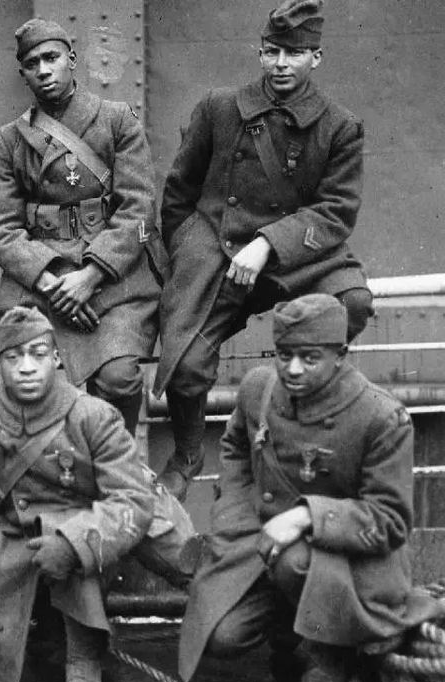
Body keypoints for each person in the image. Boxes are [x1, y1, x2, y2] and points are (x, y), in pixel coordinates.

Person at [154, 0, 373, 500]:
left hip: (297, 254)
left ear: (316, 57)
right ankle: (187, 453)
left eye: (294, 53)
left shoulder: (339, 126)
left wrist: (267, 244)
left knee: (352, 304)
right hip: (218, 247)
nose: (281, 64)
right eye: (272, 52)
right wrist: (188, 253)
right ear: (259, 54)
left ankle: (296, 413)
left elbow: (336, 211)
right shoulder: (219, 107)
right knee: (186, 364)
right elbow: (179, 191)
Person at [178, 294, 441, 682]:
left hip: (350, 560)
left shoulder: (381, 417)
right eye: (285, 355)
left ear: (340, 355)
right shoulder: (259, 389)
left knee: (294, 560)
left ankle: (330, 652)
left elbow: (389, 521)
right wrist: (233, 513)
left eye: (310, 358)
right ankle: (293, 632)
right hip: (263, 541)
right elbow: (235, 446)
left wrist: (306, 517)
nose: (293, 369)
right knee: (222, 636)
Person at [0, 306, 178, 682]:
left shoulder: (93, 415)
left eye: (38, 354)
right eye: (13, 357)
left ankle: (84, 658)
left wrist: (75, 544)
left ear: (56, 358)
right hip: (14, 538)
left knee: (72, 533)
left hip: (88, 536)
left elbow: (131, 499)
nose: (26, 367)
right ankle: (42, 634)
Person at [0, 19, 166, 437]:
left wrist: (91, 276)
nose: (44, 70)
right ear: (23, 73)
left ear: (72, 59)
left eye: (51, 58)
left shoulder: (117, 121)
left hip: (113, 277)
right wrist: (53, 284)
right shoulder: (9, 140)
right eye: (32, 64)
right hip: (41, 280)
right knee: (26, 378)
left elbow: (138, 208)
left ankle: (115, 461)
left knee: (118, 379)